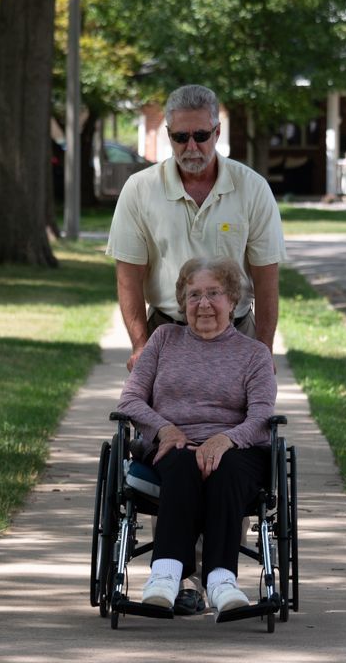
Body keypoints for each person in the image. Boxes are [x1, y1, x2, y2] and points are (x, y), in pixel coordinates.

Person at [115, 257, 276, 617]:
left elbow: (263, 415)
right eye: (193, 295)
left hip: (238, 450)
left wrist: (225, 440)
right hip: (172, 446)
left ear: (233, 301)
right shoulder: (163, 340)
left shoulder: (253, 354)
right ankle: (165, 577)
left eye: (214, 294)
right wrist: (165, 429)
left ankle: (221, 581)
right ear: (182, 302)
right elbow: (130, 399)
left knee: (226, 468)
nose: (203, 304)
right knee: (183, 462)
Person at [107, 84, 285, 372]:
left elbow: (267, 277)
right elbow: (128, 276)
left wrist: (264, 349)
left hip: (237, 333)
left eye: (201, 136)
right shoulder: (139, 190)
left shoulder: (252, 188)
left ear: (216, 132)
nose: (191, 147)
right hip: (165, 333)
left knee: (242, 417)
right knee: (163, 418)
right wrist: (140, 346)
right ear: (169, 135)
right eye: (181, 137)